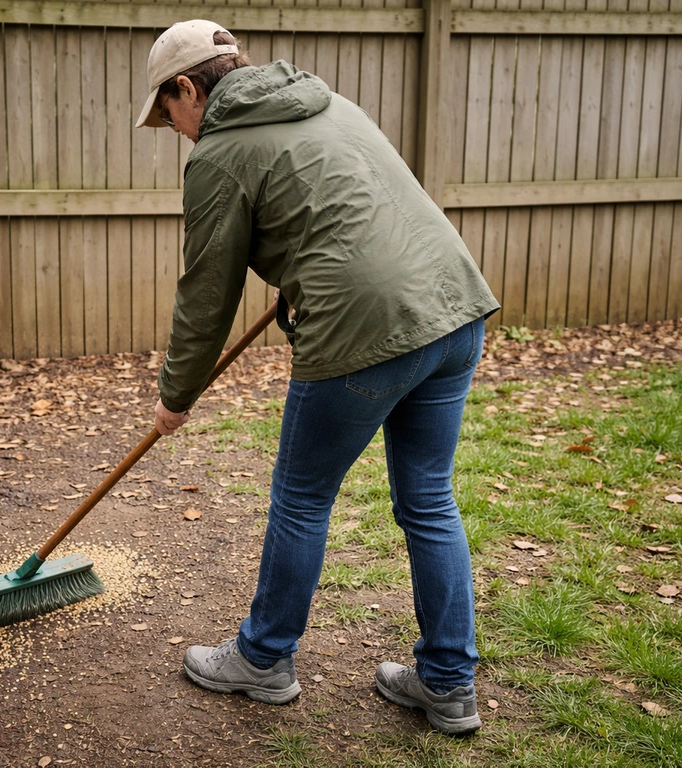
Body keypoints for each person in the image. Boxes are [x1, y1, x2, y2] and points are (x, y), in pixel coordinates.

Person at [134, 19, 501, 736]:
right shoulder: (330, 104)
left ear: (187, 87)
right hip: (456, 309)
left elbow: (206, 294)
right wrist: (299, 273)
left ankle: (262, 659)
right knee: (428, 500)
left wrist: (175, 395)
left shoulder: (220, 153)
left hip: (367, 332)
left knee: (301, 498)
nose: (172, 128)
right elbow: (357, 215)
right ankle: (450, 684)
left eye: (167, 112)